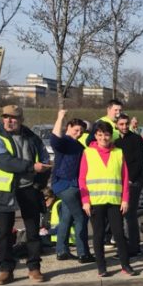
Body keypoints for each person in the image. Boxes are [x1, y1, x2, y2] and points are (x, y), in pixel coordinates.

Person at [0, 104, 52, 285]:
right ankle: (6, 270)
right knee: (4, 232)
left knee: (33, 231)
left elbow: (45, 160)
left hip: (29, 188)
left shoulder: (32, 137)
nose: (9, 120)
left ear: (21, 120)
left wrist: (40, 183)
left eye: (13, 118)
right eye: (6, 117)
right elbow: (4, 162)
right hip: (4, 190)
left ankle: (34, 268)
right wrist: (32, 167)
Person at [79, 121, 136, 277]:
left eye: (106, 134)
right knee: (98, 235)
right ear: (95, 136)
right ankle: (101, 267)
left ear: (111, 136)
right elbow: (82, 179)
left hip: (114, 201)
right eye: (100, 134)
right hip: (95, 202)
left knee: (119, 234)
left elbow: (125, 178)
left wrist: (125, 199)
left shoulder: (118, 152)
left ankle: (125, 265)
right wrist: (85, 201)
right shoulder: (88, 153)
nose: (103, 138)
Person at [49, 109, 93, 263]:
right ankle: (83, 253)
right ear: (68, 128)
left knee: (66, 218)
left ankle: (61, 251)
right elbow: (54, 139)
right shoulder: (65, 142)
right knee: (80, 217)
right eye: (76, 130)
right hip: (64, 185)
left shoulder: (78, 146)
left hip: (73, 186)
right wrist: (60, 117)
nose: (79, 133)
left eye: (81, 131)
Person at [114, 113, 143, 257]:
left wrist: (130, 179)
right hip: (119, 182)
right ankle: (123, 245)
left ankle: (134, 247)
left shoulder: (136, 139)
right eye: (121, 124)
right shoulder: (115, 142)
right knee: (119, 215)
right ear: (116, 125)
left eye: (126, 124)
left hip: (133, 181)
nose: (124, 127)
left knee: (130, 214)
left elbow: (139, 162)